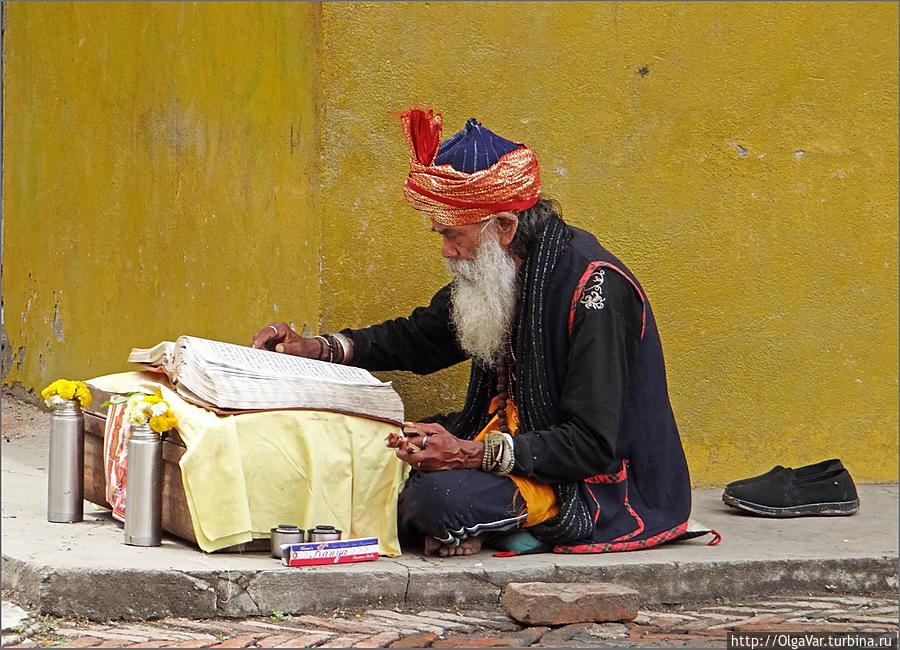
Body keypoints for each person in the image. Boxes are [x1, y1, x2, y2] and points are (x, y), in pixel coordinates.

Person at [252, 107, 695, 558]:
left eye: (453, 235)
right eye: (440, 235)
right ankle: (483, 521)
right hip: (501, 439)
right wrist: (320, 348)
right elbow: (420, 337)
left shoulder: (594, 289)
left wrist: (469, 455)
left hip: (590, 482)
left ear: (504, 226)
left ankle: (492, 521)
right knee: (369, 455)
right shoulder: (497, 271)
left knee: (437, 501)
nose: (447, 251)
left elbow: (591, 444)